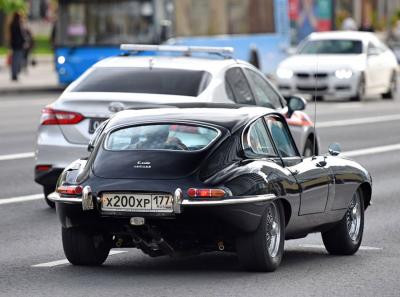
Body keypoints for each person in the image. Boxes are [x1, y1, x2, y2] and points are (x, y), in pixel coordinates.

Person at [9, 12, 28, 81]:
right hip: (19, 45)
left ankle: (13, 73)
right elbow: (21, 36)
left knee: (14, 60)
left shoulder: (12, 25)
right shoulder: (18, 25)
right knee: (17, 60)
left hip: (14, 45)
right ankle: (15, 74)